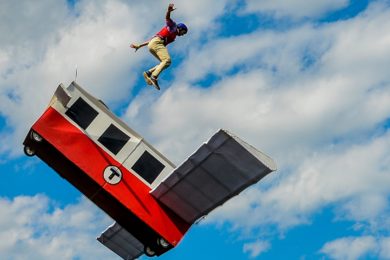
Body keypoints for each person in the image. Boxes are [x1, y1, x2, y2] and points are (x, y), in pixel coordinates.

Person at [130, 3, 188, 90]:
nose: (183, 35)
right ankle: (154, 76)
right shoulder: (173, 27)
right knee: (167, 60)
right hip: (157, 43)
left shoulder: (173, 36)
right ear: (180, 28)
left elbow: (152, 41)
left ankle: (148, 73)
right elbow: (167, 18)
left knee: (165, 63)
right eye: (183, 32)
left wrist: (140, 45)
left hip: (153, 44)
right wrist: (169, 11)